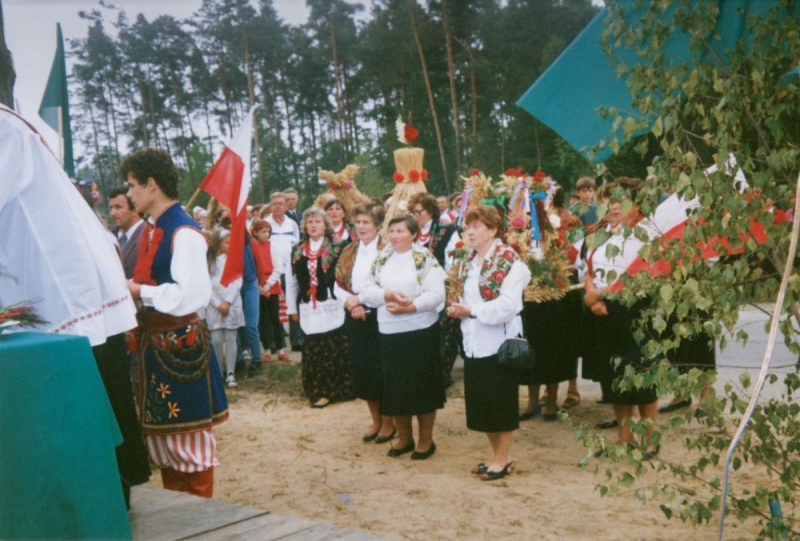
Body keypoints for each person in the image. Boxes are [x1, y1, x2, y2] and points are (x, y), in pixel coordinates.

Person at [0, 105, 151, 510]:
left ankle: (105, 496)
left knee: (89, 390)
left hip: (65, 286)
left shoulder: (3, 127)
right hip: (60, 282)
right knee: (94, 386)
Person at [123, 148, 229, 497]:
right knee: (167, 445)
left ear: (151, 185)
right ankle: (181, 520)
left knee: (189, 443)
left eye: (133, 185)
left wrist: (141, 291)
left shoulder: (183, 232)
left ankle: (199, 522)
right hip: (159, 345)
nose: (129, 194)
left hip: (179, 345)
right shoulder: (156, 230)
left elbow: (193, 295)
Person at [447, 205, 531, 480]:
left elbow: (507, 307)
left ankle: (502, 458)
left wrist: (469, 310)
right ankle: (500, 457)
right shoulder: (469, 262)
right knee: (483, 403)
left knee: (500, 402)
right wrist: (456, 307)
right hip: (473, 341)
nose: (470, 231)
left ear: (493, 230)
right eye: (468, 226)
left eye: (477, 226)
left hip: (498, 342)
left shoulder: (512, 264)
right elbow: (465, 296)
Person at [581, 177, 658, 460]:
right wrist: (592, 297)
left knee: (641, 375)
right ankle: (624, 437)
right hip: (603, 313)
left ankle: (650, 438)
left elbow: (643, 276)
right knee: (613, 376)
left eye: (620, 200)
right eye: (609, 201)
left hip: (635, 313)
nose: (614, 206)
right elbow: (589, 271)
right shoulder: (599, 234)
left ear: (634, 203)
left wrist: (600, 296)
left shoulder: (645, 234)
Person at [360, 215, 446, 460]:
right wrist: (387, 294)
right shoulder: (381, 259)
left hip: (420, 331)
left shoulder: (424, 258)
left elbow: (437, 293)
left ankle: (426, 441)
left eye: (400, 231)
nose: (395, 236)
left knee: (422, 386)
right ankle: (405, 438)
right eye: (392, 231)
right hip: (390, 332)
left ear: (413, 234)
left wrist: (412, 306)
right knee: (396, 387)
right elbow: (366, 291)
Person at [335, 202, 395, 444]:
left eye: (366, 222)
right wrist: (352, 302)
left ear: (378, 225)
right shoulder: (349, 250)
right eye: (358, 222)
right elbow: (337, 283)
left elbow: (390, 286)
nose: (361, 227)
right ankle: (376, 420)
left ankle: (390, 422)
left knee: (383, 370)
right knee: (364, 370)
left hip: (382, 316)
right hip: (355, 315)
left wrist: (363, 301)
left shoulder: (389, 251)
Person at [286, 207, 353, 408]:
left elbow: (345, 277)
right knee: (314, 346)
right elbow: (291, 282)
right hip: (309, 306)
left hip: (333, 303)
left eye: (317, 222)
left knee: (334, 345)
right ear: (305, 226)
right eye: (310, 222)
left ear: (325, 225)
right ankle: (319, 390)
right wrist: (292, 309)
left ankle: (339, 389)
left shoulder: (338, 246)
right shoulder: (297, 249)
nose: (313, 225)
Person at [408, 192, 461, 388]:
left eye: (418, 212)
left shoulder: (447, 230)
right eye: (412, 212)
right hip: (417, 293)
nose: (414, 216)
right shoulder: (411, 233)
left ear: (430, 211)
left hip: (442, 291)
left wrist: (451, 293)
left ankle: (440, 377)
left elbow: (454, 264)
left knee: (444, 336)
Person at [204, 229, 245, 388]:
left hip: (231, 302)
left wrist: (227, 301)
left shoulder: (234, 259)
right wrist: (217, 302)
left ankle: (230, 372)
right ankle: (218, 371)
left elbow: (237, 281)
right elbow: (206, 284)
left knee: (230, 337)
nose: (230, 246)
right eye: (227, 243)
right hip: (214, 303)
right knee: (216, 339)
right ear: (218, 244)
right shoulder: (209, 261)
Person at [267, 191, 302, 351]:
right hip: (272, 271)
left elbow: (297, 245)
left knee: (292, 302)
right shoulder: (265, 223)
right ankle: (275, 341)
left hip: (290, 270)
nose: (278, 207)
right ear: (270, 206)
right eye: (275, 204)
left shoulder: (292, 224)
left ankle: (296, 340)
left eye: (281, 204)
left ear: (285, 205)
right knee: (273, 307)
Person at [252, 219, 290, 362]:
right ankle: (267, 349)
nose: (266, 235)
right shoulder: (253, 246)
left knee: (275, 319)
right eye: (263, 232)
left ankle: (281, 349)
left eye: (268, 231)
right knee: (263, 319)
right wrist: (259, 287)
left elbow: (278, 268)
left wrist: (267, 286)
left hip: (271, 285)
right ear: (255, 232)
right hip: (258, 286)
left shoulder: (272, 246)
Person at [109, 186, 145, 279]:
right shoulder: (120, 239)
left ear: (135, 210)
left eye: (118, 207)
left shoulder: (147, 237)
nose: (112, 213)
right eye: (111, 208)